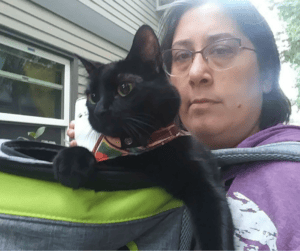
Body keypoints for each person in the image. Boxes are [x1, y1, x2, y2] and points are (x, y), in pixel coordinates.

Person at [68, 0, 300, 249]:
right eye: (181, 56)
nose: (196, 72)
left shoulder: (290, 179)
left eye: (221, 49)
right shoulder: (165, 156)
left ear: (267, 74)